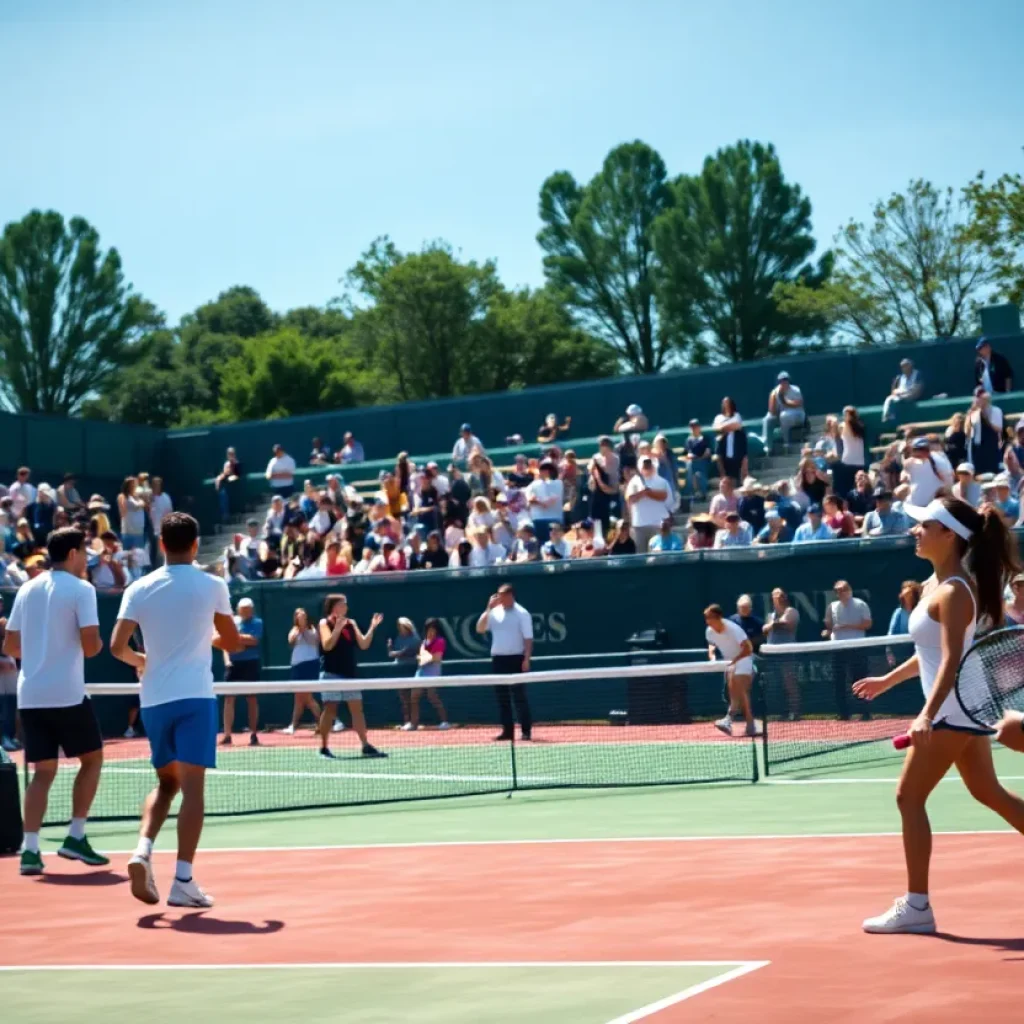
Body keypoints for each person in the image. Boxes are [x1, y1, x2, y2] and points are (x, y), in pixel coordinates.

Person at [854, 496, 1024, 934]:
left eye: (924, 525)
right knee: (990, 794)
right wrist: (887, 682)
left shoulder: (954, 591)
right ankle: (917, 905)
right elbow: (926, 655)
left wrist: (926, 715)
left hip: (954, 709)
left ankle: (917, 907)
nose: (915, 531)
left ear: (949, 534)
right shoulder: (935, 585)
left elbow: (950, 661)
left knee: (907, 797)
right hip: (964, 707)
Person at [109, 512, 242, 908]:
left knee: (167, 785)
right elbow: (233, 642)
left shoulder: (139, 588)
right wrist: (212, 638)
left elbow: (117, 648)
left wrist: (143, 662)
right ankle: (182, 880)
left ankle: (142, 851)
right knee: (193, 791)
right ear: (196, 544)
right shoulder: (213, 585)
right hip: (195, 699)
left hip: (154, 702)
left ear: (161, 544)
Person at [5, 527, 107, 876]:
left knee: (42, 772)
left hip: (31, 695)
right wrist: (94, 645)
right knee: (92, 760)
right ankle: (75, 836)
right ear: (75, 554)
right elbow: (91, 645)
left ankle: (30, 850)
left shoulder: (27, 588)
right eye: (84, 554)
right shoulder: (82, 590)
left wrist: (42, 650)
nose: (86, 562)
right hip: (67, 694)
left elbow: (11, 646)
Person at [317, 594, 386, 758]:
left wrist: (372, 627)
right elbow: (327, 645)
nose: (346, 607)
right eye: (342, 604)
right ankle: (324, 747)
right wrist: (338, 628)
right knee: (330, 709)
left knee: (357, 710)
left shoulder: (351, 623)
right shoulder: (324, 623)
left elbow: (363, 644)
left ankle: (365, 745)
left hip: (350, 674)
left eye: (346, 604)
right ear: (334, 607)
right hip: (330, 673)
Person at [475, 584, 533, 742]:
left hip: (516, 659)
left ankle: (526, 731)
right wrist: (488, 608)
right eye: (498, 595)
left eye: (502, 595)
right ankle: (507, 732)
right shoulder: (493, 612)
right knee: (503, 698)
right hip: (498, 660)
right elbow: (480, 628)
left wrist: (526, 659)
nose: (499, 598)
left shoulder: (522, 613)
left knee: (520, 698)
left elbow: (528, 638)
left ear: (510, 595)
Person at [704, 604, 755, 737]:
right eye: (706, 618)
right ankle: (747, 722)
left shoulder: (733, 629)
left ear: (719, 617)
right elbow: (711, 644)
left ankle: (734, 720)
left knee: (739, 686)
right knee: (733, 691)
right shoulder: (709, 631)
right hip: (730, 662)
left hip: (744, 658)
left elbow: (748, 648)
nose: (707, 620)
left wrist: (736, 659)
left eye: (710, 617)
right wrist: (712, 655)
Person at [220, 598, 263, 746]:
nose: (245, 611)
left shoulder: (257, 623)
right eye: (242, 609)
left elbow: (254, 640)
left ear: (252, 610)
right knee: (229, 699)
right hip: (233, 665)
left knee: (251, 699)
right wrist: (227, 661)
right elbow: (225, 643)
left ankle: (253, 734)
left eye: (248, 609)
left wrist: (235, 638)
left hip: (250, 664)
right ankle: (227, 735)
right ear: (238, 610)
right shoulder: (233, 621)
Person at [406, 618, 451, 731]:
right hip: (421, 672)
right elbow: (421, 658)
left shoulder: (440, 641)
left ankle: (445, 722)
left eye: (433, 630)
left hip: (433, 672)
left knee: (432, 696)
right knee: (414, 696)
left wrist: (425, 658)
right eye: (429, 630)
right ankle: (413, 724)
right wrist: (424, 658)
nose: (431, 632)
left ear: (437, 630)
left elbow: (437, 658)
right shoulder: (424, 642)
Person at [283, 608, 321, 734]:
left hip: (310, 665)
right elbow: (291, 640)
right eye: (299, 617)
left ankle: (323, 722)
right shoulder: (294, 630)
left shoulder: (313, 630)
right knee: (299, 698)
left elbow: (314, 640)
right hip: (297, 666)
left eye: (303, 616)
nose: (301, 618)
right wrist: (299, 629)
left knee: (307, 697)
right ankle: (294, 726)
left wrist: (304, 628)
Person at [625, 456, 669, 554]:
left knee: (657, 554)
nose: (647, 467)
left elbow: (663, 496)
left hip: (657, 524)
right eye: (645, 465)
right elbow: (630, 499)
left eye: (649, 465)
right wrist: (643, 493)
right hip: (639, 525)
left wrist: (649, 493)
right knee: (641, 554)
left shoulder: (661, 481)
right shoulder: (634, 482)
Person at [388, 617, 421, 728]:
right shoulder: (398, 638)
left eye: (402, 626)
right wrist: (391, 650)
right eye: (399, 626)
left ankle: (414, 723)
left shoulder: (415, 639)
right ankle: (407, 722)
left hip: (412, 669)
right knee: (403, 698)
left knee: (413, 698)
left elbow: (403, 652)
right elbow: (393, 653)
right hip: (400, 669)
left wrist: (394, 652)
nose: (400, 628)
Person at [762, 371, 805, 449]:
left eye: (785, 380)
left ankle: (786, 443)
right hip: (781, 416)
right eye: (781, 380)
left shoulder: (796, 390)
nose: (784, 382)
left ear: (789, 380)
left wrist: (783, 399)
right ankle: (767, 446)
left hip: (798, 415)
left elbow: (798, 404)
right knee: (767, 419)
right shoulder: (775, 392)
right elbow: (772, 411)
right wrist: (773, 397)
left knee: (784, 416)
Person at [966, 387, 1004, 476]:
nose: (979, 399)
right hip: (978, 448)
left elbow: (998, 429)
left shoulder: (996, 410)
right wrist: (970, 414)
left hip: (991, 447)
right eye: (977, 397)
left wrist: (985, 415)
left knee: (992, 473)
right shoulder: (974, 413)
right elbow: (967, 431)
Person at [713, 396, 747, 483]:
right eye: (724, 403)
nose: (726, 405)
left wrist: (723, 428)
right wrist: (729, 427)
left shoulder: (737, 415)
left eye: (728, 403)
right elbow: (717, 429)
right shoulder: (718, 417)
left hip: (737, 453)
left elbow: (737, 425)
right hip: (724, 453)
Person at [882, 358, 924, 423]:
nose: (904, 368)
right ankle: (886, 415)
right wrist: (897, 392)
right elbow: (894, 391)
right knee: (889, 399)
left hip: (913, 395)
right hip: (902, 395)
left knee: (898, 399)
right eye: (902, 366)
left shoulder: (918, 374)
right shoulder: (900, 377)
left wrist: (904, 392)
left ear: (911, 366)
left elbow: (918, 389)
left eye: (906, 365)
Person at [684, 419, 711, 499]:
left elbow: (707, 452)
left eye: (695, 426)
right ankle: (695, 493)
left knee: (700, 473)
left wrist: (699, 457)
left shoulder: (705, 438)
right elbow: (688, 454)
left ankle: (703, 493)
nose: (694, 428)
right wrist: (695, 457)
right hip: (693, 462)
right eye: (692, 427)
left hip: (703, 462)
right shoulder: (689, 440)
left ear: (699, 427)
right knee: (690, 466)